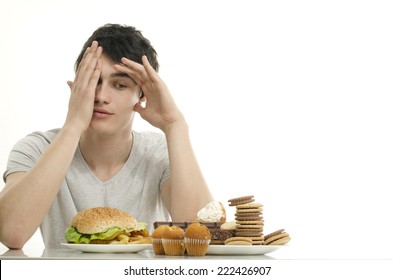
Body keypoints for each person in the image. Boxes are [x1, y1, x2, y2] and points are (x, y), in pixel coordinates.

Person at [0, 24, 213, 249]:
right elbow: (11, 233)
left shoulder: (159, 152)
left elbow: (199, 236)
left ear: (142, 95)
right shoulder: (36, 148)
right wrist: (73, 125)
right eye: (93, 81)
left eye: (120, 85)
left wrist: (175, 125)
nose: (101, 96)